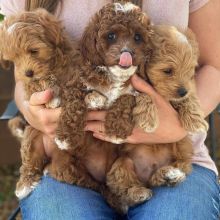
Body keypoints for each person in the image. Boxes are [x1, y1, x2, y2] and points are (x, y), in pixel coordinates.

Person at [1, 0, 220, 219]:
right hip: (73, 159)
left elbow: (214, 66)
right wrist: (34, 112)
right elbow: (25, 77)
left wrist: (178, 125)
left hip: (167, 155)